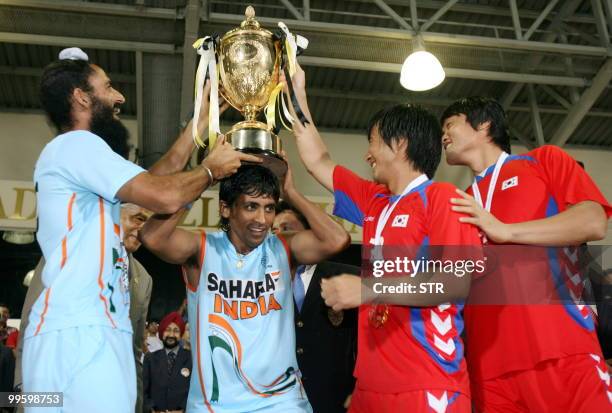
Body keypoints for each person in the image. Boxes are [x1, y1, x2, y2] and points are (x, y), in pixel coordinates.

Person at [24, 47, 259, 412]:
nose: (119, 97)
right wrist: (211, 171)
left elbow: (154, 181)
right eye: (108, 88)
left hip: (90, 330)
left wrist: (196, 127)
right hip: (78, 332)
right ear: (81, 98)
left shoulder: (81, 158)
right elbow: (163, 196)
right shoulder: (77, 145)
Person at [285, 63, 481, 412]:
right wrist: (296, 93)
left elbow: (454, 282)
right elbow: (318, 160)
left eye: (373, 142)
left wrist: (371, 289)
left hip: (426, 381)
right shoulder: (375, 201)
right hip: (370, 386)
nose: (367, 154)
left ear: (400, 144)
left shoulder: (443, 199)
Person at [440, 96, 611, 412]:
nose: (443, 135)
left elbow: (593, 221)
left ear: (484, 124)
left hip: (561, 349)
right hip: (487, 369)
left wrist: (506, 231)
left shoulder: (544, 160)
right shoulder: (455, 203)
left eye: (450, 124)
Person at [140, 162, 351, 412]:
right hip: (215, 405)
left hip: (281, 401)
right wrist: (207, 177)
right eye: (251, 207)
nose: (262, 220)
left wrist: (291, 193)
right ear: (226, 208)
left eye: (269, 208)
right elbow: (152, 236)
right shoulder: (202, 248)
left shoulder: (283, 248)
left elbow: (338, 239)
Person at [14, 203, 154, 413]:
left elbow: (134, 351)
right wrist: (23, 390)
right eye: (137, 218)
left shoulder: (143, 279)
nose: (142, 229)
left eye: (148, 223)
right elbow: (30, 323)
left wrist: (136, 406)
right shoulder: (68, 250)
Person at [272, 202, 359, 413]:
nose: (281, 237)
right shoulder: (260, 282)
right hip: (278, 402)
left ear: (311, 233)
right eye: (274, 231)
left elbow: (368, 341)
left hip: (334, 401)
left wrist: (361, 389)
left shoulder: (349, 278)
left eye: (287, 228)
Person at [143, 311, 192, 413]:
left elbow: (196, 391)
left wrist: (183, 409)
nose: (171, 335)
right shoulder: (150, 359)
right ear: (161, 333)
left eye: (176, 331)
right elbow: (143, 391)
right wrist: (152, 409)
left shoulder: (191, 359)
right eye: (167, 330)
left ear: (181, 334)